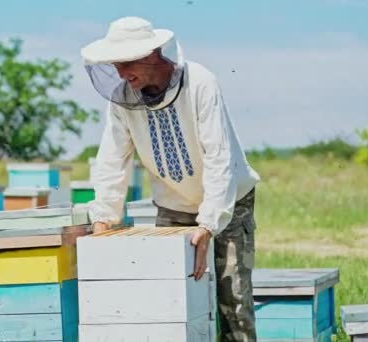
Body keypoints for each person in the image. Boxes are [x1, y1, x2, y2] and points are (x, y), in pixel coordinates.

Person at [80, 16, 261, 341]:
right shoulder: (123, 100)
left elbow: (218, 158)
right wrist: (104, 218)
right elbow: (112, 160)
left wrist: (208, 225)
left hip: (229, 202)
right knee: (168, 303)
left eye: (125, 63)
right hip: (173, 208)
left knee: (232, 299)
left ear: (152, 54)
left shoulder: (200, 83)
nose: (120, 73)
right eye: (114, 65)